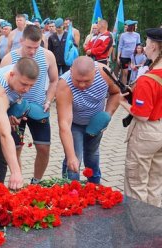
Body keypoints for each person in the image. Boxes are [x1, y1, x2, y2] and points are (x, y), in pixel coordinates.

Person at [0, 25, 59, 184]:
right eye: (28, 47)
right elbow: (1, 90)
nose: (32, 51)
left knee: (44, 148)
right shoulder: (9, 59)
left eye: (36, 47)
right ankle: (18, 182)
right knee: (16, 149)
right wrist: (6, 113)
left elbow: (54, 81)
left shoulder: (48, 56)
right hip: (15, 111)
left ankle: (36, 182)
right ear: (21, 41)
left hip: (39, 109)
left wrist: (49, 100)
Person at [56, 56, 120, 183]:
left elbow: (116, 93)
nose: (82, 85)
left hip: (96, 123)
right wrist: (70, 156)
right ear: (71, 71)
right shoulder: (64, 84)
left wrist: (106, 116)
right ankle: (70, 192)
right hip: (74, 124)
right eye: (78, 80)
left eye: (87, 81)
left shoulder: (104, 73)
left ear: (95, 73)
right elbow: (64, 124)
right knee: (75, 159)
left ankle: (95, 186)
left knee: (92, 154)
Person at [120, 28, 162, 208]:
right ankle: (152, 225)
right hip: (160, 130)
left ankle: (137, 228)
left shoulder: (148, 79)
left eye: (146, 43)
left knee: (137, 182)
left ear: (153, 46)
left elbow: (142, 114)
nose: (144, 46)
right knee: (155, 182)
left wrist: (123, 103)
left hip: (146, 132)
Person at [0, 57, 40, 189]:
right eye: (24, 84)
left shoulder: (18, 77)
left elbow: (6, 105)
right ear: (11, 74)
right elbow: (5, 134)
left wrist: (11, 114)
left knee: (1, 159)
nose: (27, 89)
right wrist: (16, 172)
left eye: (31, 86)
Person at [118, 20, 141, 84]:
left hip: (133, 57)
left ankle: (131, 87)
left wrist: (138, 55)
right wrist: (118, 57)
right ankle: (123, 87)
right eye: (130, 26)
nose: (131, 27)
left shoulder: (137, 35)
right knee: (125, 72)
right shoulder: (123, 35)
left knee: (133, 72)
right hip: (124, 57)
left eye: (132, 26)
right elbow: (120, 46)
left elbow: (138, 45)